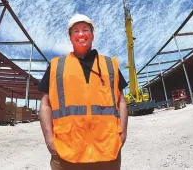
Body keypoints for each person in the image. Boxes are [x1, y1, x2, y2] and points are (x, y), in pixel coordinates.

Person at [38, 13, 129, 170]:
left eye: (85, 30)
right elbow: (45, 104)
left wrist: (123, 134)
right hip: (67, 151)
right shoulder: (56, 66)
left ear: (92, 35)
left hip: (107, 150)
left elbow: (121, 100)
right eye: (76, 31)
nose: (81, 34)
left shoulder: (109, 65)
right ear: (70, 37)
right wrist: (49, 139)